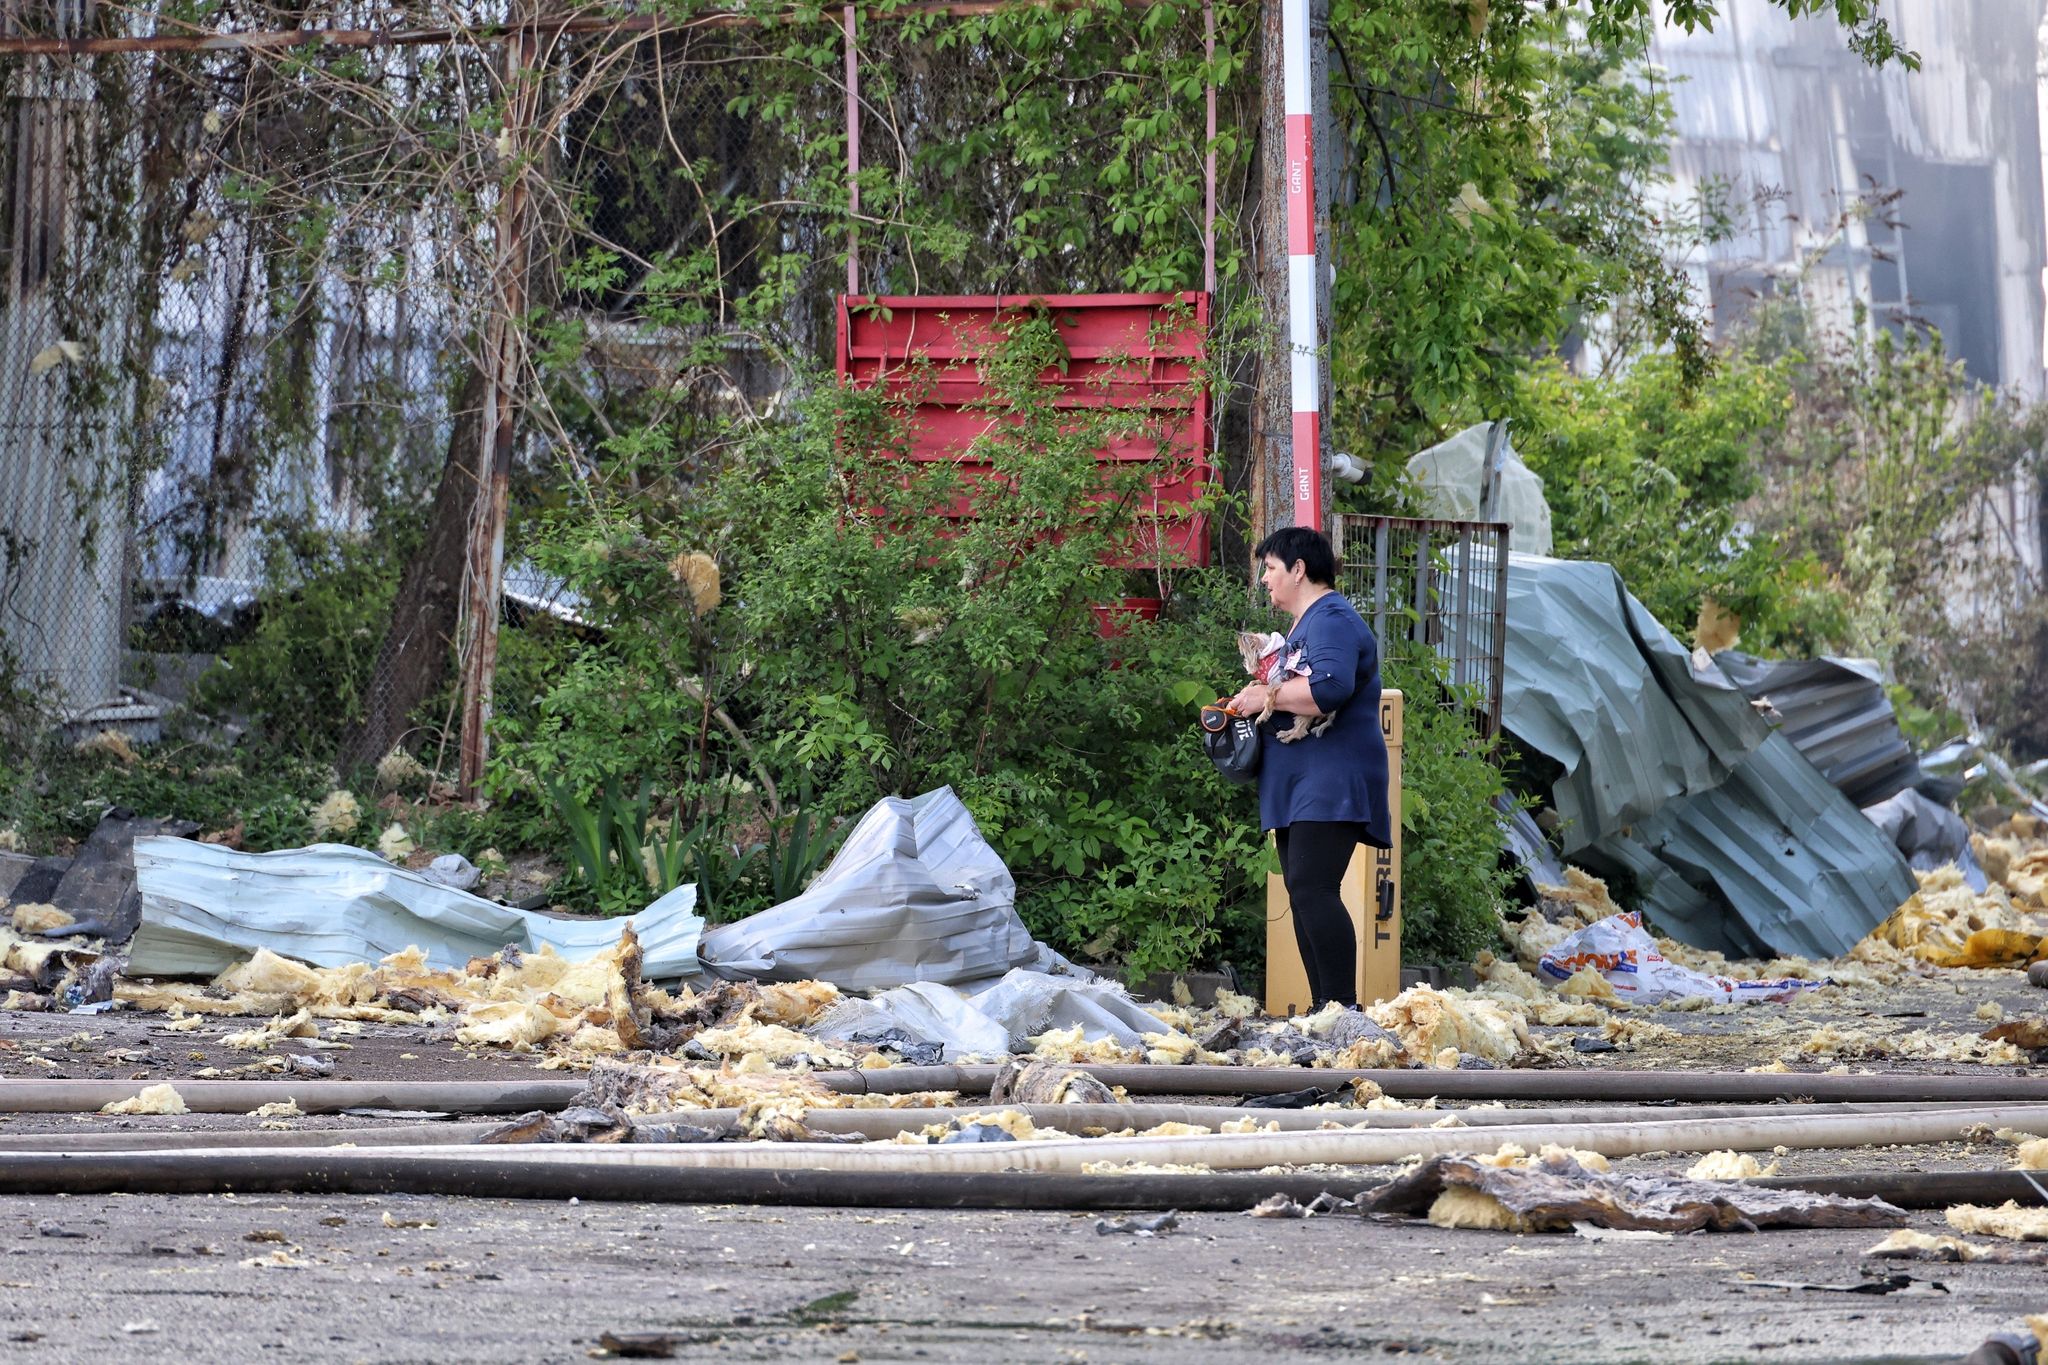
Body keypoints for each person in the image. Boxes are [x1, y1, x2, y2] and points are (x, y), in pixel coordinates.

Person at [1228, 526, 1391, 1009]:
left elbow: (1331, 688)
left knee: (1314, 888)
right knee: (1303, 891)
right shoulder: (1307, 624)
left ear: (1299, 570)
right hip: (1302, 781)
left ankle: (1342, 1009)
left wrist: (1266, 695)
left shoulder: (1332, 618)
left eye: (1271, 568)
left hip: (1330, 778)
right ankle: (1326, 1013)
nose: (1264, 579)